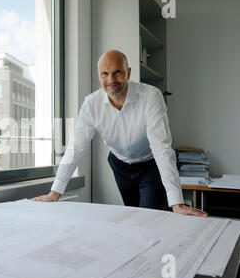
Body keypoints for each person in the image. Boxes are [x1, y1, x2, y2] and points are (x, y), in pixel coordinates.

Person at [32, 49, 207, 217]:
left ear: (128, 73)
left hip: (149, 165)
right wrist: (54, 193)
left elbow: (161, 148)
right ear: (98, 75)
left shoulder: (151, 97)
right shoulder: (91, 105)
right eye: (105, 74)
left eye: (117, 72)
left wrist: (177, 202)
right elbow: (76, 148)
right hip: (120, 165)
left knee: (150, 216)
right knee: (131, 214)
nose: (111, 79)